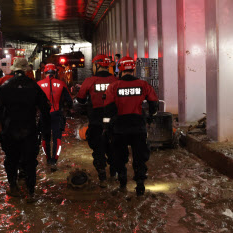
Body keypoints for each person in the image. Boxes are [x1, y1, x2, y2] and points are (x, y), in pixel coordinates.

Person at [0, 58, 51, 203]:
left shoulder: (4, 87)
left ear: (13, 69)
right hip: (29, 130)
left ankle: (13, 187)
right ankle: (30, 192)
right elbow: (45, 109)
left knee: (11, 159)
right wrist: (45, 129)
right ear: (27, 70)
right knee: (30, 161)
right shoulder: (34, 86)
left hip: (10, 130)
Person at [104, 56, 158, 196]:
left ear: (120, 69)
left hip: (120, 127)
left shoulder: (113, 86)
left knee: (119, 156)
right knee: (139, 156)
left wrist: (108, 125)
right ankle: (140, 185)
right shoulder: (143, 85)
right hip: (138, 125)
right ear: (133, 68)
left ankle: (122, 183)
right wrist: (150, 116)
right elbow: (153, 103)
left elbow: (108, 109)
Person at [76, 54, 118, 188]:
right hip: (113, 120)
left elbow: (80, 99)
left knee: (98, 148)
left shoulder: (89, 81)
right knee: (113, 147)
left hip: (96, 120)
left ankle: (102, 178)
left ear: (97, 65)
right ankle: (114, 174)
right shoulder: (116, 81)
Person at [37, 64, 73, 171]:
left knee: (45, 137)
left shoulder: (38, 84)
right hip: (57, 113)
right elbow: (69, 101)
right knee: (57, 138)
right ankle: (54, 160)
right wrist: (67, 109)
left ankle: (48, 159)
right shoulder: (61, 84)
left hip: (44, 115)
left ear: (44, 72)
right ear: (55, 72)